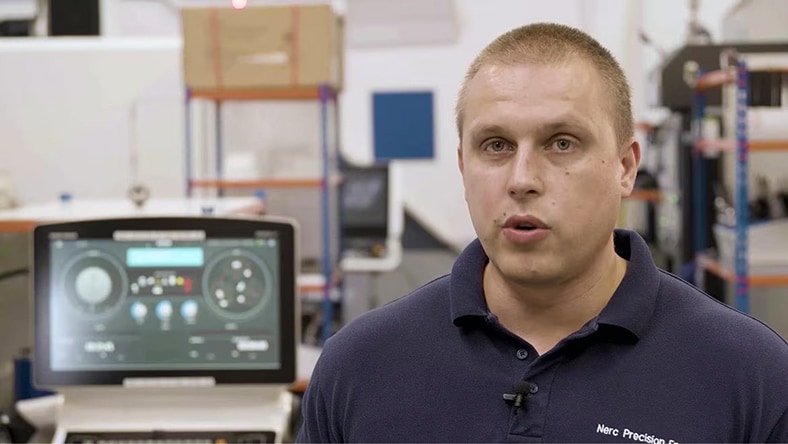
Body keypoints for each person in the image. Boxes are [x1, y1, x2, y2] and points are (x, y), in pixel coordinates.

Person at [296, 22, 788, 443]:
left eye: (561, 143)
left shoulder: (751, 377)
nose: (522, 179)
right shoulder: (359, 367)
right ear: (464, 167)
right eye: (496, 145)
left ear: (625, 166)